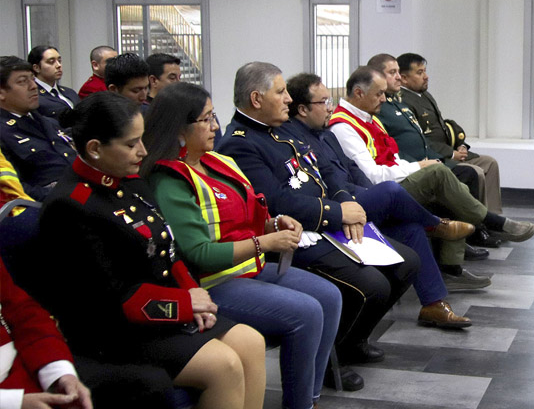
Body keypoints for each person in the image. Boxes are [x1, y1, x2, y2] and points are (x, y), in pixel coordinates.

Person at [14, 92, 266, 409]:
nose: (143, 151)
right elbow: (111, 299)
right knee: (223, 366)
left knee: (251, 343)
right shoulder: (70, 207)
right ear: (94, 149)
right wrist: (185, 305)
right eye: (131, 144)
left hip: (162, 310)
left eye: (142, 140)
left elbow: (166, 248)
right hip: (116, 331)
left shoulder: (128, 180)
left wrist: (195, 298)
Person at [216, 62, 419, 390]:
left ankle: (352, 340)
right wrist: (338, 214)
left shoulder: (278, 128)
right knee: (372, 285)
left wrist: (345, 203)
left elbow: (322, 171)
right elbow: (279, 202)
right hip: (297, 234)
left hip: (328, 218)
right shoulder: (240, 142)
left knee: (406, 262)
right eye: (280, 92)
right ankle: (326, 358)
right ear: (256, 99)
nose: (287, 99)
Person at [142, 82, 342, 409]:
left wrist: (274, 224)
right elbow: (199, 254)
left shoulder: (218, 163)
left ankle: (308, 399)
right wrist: (265, 241)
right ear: (180, 128)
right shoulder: (170, 180)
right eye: (205, 120)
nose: (215, 126)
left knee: (329, 297)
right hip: (212, 282)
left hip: (249, 267)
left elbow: (247, 217)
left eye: (214, 116)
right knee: (306, 312)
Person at [284, 72, 480, 318]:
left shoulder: (325, 133)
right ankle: (437, 225)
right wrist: (357, 200)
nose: (329, 108)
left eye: (329, 101)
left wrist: (367, 194)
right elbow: (324, 181)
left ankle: (433, 304)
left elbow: (352, 170)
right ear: (302, 109)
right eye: (323, 103)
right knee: (391, 190)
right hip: (336, 209)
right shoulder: (299, 138)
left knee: (410, 228)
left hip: (357, 197)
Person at [329, 67, 534, 245]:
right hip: (380, 191)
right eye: (379, 94)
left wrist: (418, 165)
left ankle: (452, 267)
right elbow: (372, 176)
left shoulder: (369, 117)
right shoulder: (343, 127)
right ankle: (493, 223)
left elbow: (392, 156)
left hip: (394, 178)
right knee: (438, 173)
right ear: (358, 93)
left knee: (457, 187)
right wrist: (418, 166)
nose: (384, 99)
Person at [368, 54, 498, 256]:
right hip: (406, 170)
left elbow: (426, 135)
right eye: (392, 73)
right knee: (467, 175)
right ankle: (479, 228)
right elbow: (398, 150)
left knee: (481, 167)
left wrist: (452, 149)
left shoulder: (401, 103)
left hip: (426, 159)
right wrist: (441, 158)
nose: (398, 78)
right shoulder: (380, 109)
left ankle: (478, 230)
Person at [397, 52, 506, 248]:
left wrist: (459, 145)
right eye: (420, 72)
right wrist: (451, 154)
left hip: (449, 150)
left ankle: (494, 220)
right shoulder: (404, 101)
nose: (426, 76)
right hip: (437, 156)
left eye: (425, 71)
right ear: (403, 78)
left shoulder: (424, 95)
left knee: (490, 162)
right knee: (476, 172)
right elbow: (423, 140)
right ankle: (476, 228)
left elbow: (441, 128)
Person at [1, 259, 94, 409]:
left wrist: (59, 374)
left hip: (28, 364)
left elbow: (20, 310)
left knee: (135, 383)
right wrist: (13, 403)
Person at [0, 57, 75, 201]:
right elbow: (14, 190)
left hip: (81, 193)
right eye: (22, 81)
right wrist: (69, 196)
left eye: (32, 79)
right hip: (51, 207)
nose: (33, 86)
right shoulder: (4, 133)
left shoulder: (47, 122)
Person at [27, 45, 79, 121]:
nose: (58, 65)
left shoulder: (70, 92)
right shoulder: (33, 96)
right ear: (36, 68)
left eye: (59, 61)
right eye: (51, 62)